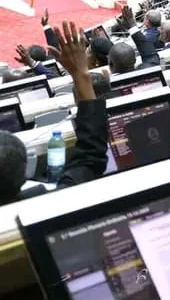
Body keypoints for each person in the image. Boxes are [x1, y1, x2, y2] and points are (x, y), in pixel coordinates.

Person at [2, 20, 110, 205]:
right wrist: (80, 74)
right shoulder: (58, 203)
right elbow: (91, 155)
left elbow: (91, 155)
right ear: (27, 173)